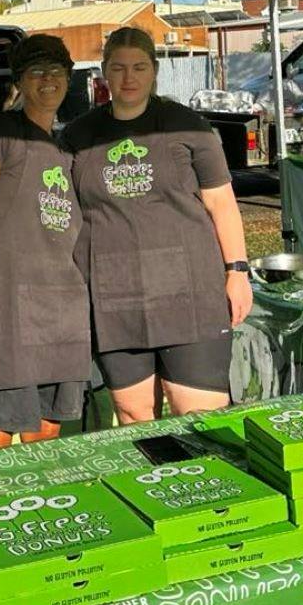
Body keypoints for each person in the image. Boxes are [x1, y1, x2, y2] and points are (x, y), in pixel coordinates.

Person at [65, 27, 253, 424]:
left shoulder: (188, 127)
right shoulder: (78, 135)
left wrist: (237, 271)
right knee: (133, 414)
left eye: (139, 67)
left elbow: (221, 201)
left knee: (200, 416)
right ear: (103, 73)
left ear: (154, 71)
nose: (128, 78)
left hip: (190, 292)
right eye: (118, 68)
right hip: (114, 296)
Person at [0, 35, 91, 452]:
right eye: (37, 72)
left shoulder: (64, 148)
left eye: (57, 71)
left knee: (45, 436)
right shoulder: (0, 134)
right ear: (19, 82)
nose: (49, 80)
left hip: (62, 309)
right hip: (6, 309)